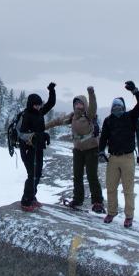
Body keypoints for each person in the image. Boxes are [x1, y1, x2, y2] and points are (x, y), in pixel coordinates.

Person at [46, 85, 104, 213]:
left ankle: (97, 202)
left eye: (80, 104)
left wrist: (91, 93)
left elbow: (93, 106)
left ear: (84, 105)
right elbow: (57, 121)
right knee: (77, 176)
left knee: (92, 176)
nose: (78, 106)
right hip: (78, 151)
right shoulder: (72, 117)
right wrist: (44, 127)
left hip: (91, 149)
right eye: (76, 104)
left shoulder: (89, 115)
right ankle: (78, 200)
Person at [98, 80, 139, 227]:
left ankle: (129, 216)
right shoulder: (108, 121)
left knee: (128, 189)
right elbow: (104, 137)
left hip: (127, 158)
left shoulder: (130, 116)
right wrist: (100, 151)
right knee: (111, 187)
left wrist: (135, 91)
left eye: (119, 106)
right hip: (113, 158)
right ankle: (111, 212)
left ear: (123, 107)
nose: (116, 108)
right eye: (114, 106)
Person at [18, 82, 56, 211]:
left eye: (40, 105)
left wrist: (51, 90)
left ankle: (32, 196)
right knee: (32, 174)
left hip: (38, 148)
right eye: (36, 104)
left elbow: (51, 103)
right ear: (31, 104)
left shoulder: (39, 112)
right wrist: (39, 135)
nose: (39, 107)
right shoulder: (26, 115)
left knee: (38, 173)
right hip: (28, 149)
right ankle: (26, 201)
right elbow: (24, 134)